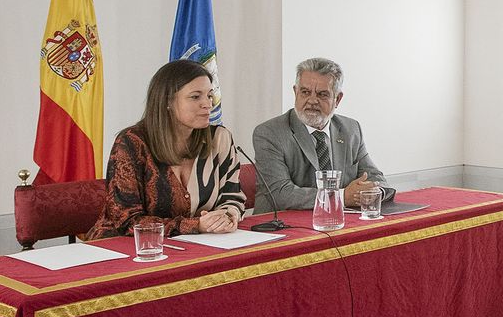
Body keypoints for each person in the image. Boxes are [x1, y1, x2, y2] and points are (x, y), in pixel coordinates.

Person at [87, 59, 245, 238]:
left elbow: (233, 196)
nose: (208, 104)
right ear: (167, 101)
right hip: (123, 248)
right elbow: (126, 221)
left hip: (195, 245)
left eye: (209, 95)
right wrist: (195, 225)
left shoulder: (219, 138)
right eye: (195, 96)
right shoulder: (131, 142)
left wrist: (226, 217)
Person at [252, 58, 390, 211]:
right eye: (305, 92)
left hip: (339, 222)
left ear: (337, 99)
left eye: (322, 94)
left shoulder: (350, 129)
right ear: (295, 92)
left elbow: (376, 178)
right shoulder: (270, 133)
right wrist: (342, 197)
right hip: (284, 227)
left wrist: (372, 192)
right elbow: (280, 194)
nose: (312, 100)